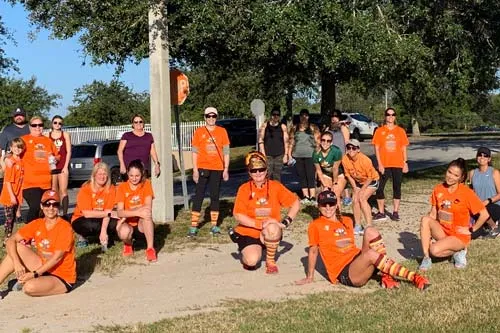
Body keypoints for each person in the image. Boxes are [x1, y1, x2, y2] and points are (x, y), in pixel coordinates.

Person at [295, 190, 429, 290]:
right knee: (371, 254)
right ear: (319, 207)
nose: (328, 208)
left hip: (356, 259)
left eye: (331, 204)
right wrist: (310, 276)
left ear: (337, 205)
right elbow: (313, 252)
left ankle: (385, 275)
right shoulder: (315, 225)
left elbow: (349, 246)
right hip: (345, 272)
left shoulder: (347, 220)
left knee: (370, 230)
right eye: (324, 205)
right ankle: (413, 277)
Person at [231, 151, 300, 273]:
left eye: (261, 169)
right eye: (254, 170)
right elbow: (238, 214)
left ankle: (270, 260)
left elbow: (295, 202)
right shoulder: (244, 188)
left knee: (273, 227)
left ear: (266, 170)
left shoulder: (276, 186)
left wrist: (285, 222)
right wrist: (260, 225)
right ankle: (243, 244)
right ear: (249, 172)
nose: (258, 173)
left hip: (270, 230)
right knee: (251, 261)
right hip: (249, 231)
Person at [0, 190, 76, 299]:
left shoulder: (65, 227)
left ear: (58, 207)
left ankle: (26, 282)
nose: (50, 208)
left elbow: (56, 258)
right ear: (41, 206)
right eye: (47, 204)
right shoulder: (38, 224)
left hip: (61, 276)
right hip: (42, 266)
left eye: (54, 204)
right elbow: (11, 240)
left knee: (29, 288)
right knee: (17, 248)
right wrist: (17, 262)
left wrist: (34, 274)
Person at [419, 158, 489, 271]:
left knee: (434, 250)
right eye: (449, 172)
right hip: (443, 232)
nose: (450, 177)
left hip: (459, 236)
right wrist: (428, 233)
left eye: (455, 175)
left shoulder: (466, 193)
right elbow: (433, 214)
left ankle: (460, 250)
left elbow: (484, 214)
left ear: (461, 178)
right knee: (425, 219)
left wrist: (471, 229)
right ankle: (426, 258)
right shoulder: (438, 189)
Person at [188, 107, 230, 237]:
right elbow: (194, 152)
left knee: (215, 196)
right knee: (199, 195)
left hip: (217, 168)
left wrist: (226, 169)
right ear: (204, 117)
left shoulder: (222, 131)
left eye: (213, 116)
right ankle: (194, 226)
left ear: (216, 117)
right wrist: (195, 170)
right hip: (202, 167)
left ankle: (214, 225)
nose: (211, 118)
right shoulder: (199, 132)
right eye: (208, 116)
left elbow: (226, 151)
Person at [372, 108, 409, 222]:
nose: (390, 117)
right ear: (385, 116)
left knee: (397, 187)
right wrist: (380, 164)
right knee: (379, 188)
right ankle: (381, 212)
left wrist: (405, 162)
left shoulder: (400, 131)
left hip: (397, 163)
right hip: (384, 164)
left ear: (395, 116)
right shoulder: (379, 131)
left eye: (393, 114)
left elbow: (403, 148)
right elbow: (377, 148)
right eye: (388, 115)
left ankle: (395, 212)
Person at [115, 159, 156, 262]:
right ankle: (128, 244)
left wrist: (128, 212)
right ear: (127, 173)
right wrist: (137, 211)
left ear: (142, 174)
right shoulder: (122, 187)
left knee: (147, 214)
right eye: (131, 175)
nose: (134, 178)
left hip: (141, 223)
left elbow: (148, 207)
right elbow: (120, 211)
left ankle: (150, 248)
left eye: (137, 176)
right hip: (127, 222)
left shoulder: (146, 184)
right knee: (124, 232)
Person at [72, 162, 119, 248]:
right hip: (83, 218)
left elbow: (108, 210)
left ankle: (104, 236)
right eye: (99, 174)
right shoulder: (86, 188)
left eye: (105, 174)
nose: (102, 177)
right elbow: (87, 213)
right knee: (92, 225)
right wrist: (108, 213)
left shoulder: (111, 189)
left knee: (116, 223)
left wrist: (104, 230)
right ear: (94, 175)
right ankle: (83, 236)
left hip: (102, 217)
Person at [21, 116, 59, 223]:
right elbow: (14, 152)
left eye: (40, 125)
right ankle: (27, 231)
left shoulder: (48, 141)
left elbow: (57, 156)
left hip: (47, 183)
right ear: (30, 127)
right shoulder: (24, 140)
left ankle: (41, 233)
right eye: (34, 125)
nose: (37, 127)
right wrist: (9, 159)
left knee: (45, 210)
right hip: (30, 183)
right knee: (36, 206)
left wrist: (54, 159)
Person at [341, 139, 379, 235]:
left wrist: (362, 190)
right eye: (348, 147)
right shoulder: (345, 159)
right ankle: (358, 225)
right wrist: (355, 188)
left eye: (354, 148)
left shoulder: (365, 160)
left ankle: (369, 225)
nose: (351, 150)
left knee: (362, 198)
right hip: (358, 182)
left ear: (358, 149)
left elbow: (370, 177)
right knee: (354, 200)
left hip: (371, 181)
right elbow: (348, 175)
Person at [0, 107, 30, 222]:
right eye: (17, 115)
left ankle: (23, 211)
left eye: (21, 115)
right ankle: (16, 214)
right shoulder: (7, 130)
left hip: (27, 163)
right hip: (13, 163)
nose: (19, 117)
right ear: (13, 116)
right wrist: (3, 162)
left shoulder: (30, 128)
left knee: (23, 189)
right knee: (13, 187)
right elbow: (2, 148)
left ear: (24, 116)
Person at [288, 108, 320, 204]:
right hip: (297, 155)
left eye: (305, 115)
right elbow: (291, 142)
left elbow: (318, 141)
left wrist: (318, 153)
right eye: (302, 115)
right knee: (302, 176)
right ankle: (305, 196)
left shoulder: (313, 127)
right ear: (300, 117)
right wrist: (289, 154)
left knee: (310, 175)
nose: (304, 117)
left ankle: (313, 197)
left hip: (310, 155)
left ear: (308, 116)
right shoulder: (295, 128)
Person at [467, 147, 500, 238]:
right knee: (472, 235)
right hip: (478, 208)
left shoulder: (494, 172)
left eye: (485, 155)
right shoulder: (472, 173)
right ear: (476, 157)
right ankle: (485, 227)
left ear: (489, 159)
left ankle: (494, 227)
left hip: (493, 206)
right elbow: (470, 191)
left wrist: (488, 201)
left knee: (481, 207)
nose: (482, 157)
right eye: (480, 155)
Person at [117, 114, 161, 179]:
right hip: (129, 170)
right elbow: (120, 151)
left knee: (143, 188)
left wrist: (157, 164)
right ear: (132, 124)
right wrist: (122, 164)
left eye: (140, 121)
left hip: (143, 169)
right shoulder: (127, 135)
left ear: (143, 124)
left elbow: (153, 151)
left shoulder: (149, 136)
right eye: (136, 122)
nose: (138, 123)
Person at [45, 115, 72, 216]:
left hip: (62, 166)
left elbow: (68, 152)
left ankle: (65, 214)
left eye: (60, 123)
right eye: (55, 122)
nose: (57, 125)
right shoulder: (47, 135)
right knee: (53, 191)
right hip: (52, 166)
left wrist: (65, 166)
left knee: (63, 190)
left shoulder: (65, 134)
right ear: (52, 123)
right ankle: (55, 213)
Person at [324, 109, 352, 206]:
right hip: (331, 157)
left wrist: (348, 155)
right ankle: (336, 195)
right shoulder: (328, 129)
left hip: (342, 156)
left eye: (336, 117)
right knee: (333, 177)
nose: (334, 119)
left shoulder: (343, 128)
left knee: (345, 176)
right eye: (332, 117)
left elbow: (347, 142)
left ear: (339, 118)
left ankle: (347, 196)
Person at [0, 138, 25, 246]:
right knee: (9, 219)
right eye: (15, 147)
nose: (17, 149)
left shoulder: (21, 161)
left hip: (16, 195)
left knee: (13, 218)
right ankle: (6, 239)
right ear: (11, 148)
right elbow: (8, 181)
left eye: (19, 147)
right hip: (8, 196)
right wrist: (12, 196)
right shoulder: (11, 163)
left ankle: (10, 237)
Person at [257, 106, 289, 181]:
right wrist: (263, 154)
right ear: (271, 115)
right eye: (274, 114)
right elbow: (261, 140)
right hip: (268, 155)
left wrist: (286, 155)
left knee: (277, 175)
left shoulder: (283, 127)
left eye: (277, 115)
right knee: (268, 174)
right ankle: (267, 191)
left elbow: (286, 142)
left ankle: (277, 191)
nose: (276, 116)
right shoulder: (265, 126)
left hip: (279, 155)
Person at [312, 131, 342, 197]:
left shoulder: (336, 151)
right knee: (327, 193)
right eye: (323, 140)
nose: (325, 143)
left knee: (336, 193)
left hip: (338, 173)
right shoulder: (316, 153)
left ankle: (338, 206)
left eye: (328, 141)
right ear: (320, 141)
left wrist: (335, 183)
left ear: (331, 142)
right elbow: (319, 171)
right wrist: (324, 185)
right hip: (326, 173)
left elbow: (335, 168)